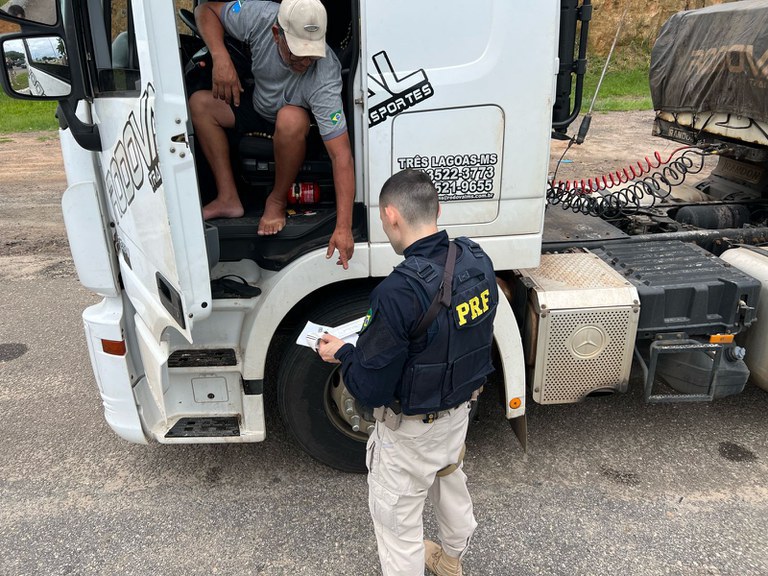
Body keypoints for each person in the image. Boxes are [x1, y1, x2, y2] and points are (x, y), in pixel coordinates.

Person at [318, 169, 499, 576]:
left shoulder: (398, 292)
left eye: (384, 222)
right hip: (458, 414)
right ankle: (450, 561)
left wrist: (345, 353)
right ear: (437, 209)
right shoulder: (476, 259)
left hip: (411, 432)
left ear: (391, 215)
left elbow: (370, 389)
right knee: (450, 482)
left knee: (397, 524)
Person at [190, 0, 355, 268]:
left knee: (290, 118)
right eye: (297, 52)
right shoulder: (259, 16)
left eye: (311, 53)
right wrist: (220, 58)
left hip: (293, 122)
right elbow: (204, 10)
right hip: (258, 104)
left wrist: (344, 228)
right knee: (199, 104)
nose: (304, 61)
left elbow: (341, 157)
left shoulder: (325, 74)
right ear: (277, 33)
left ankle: (276, 201)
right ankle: (228, 197)